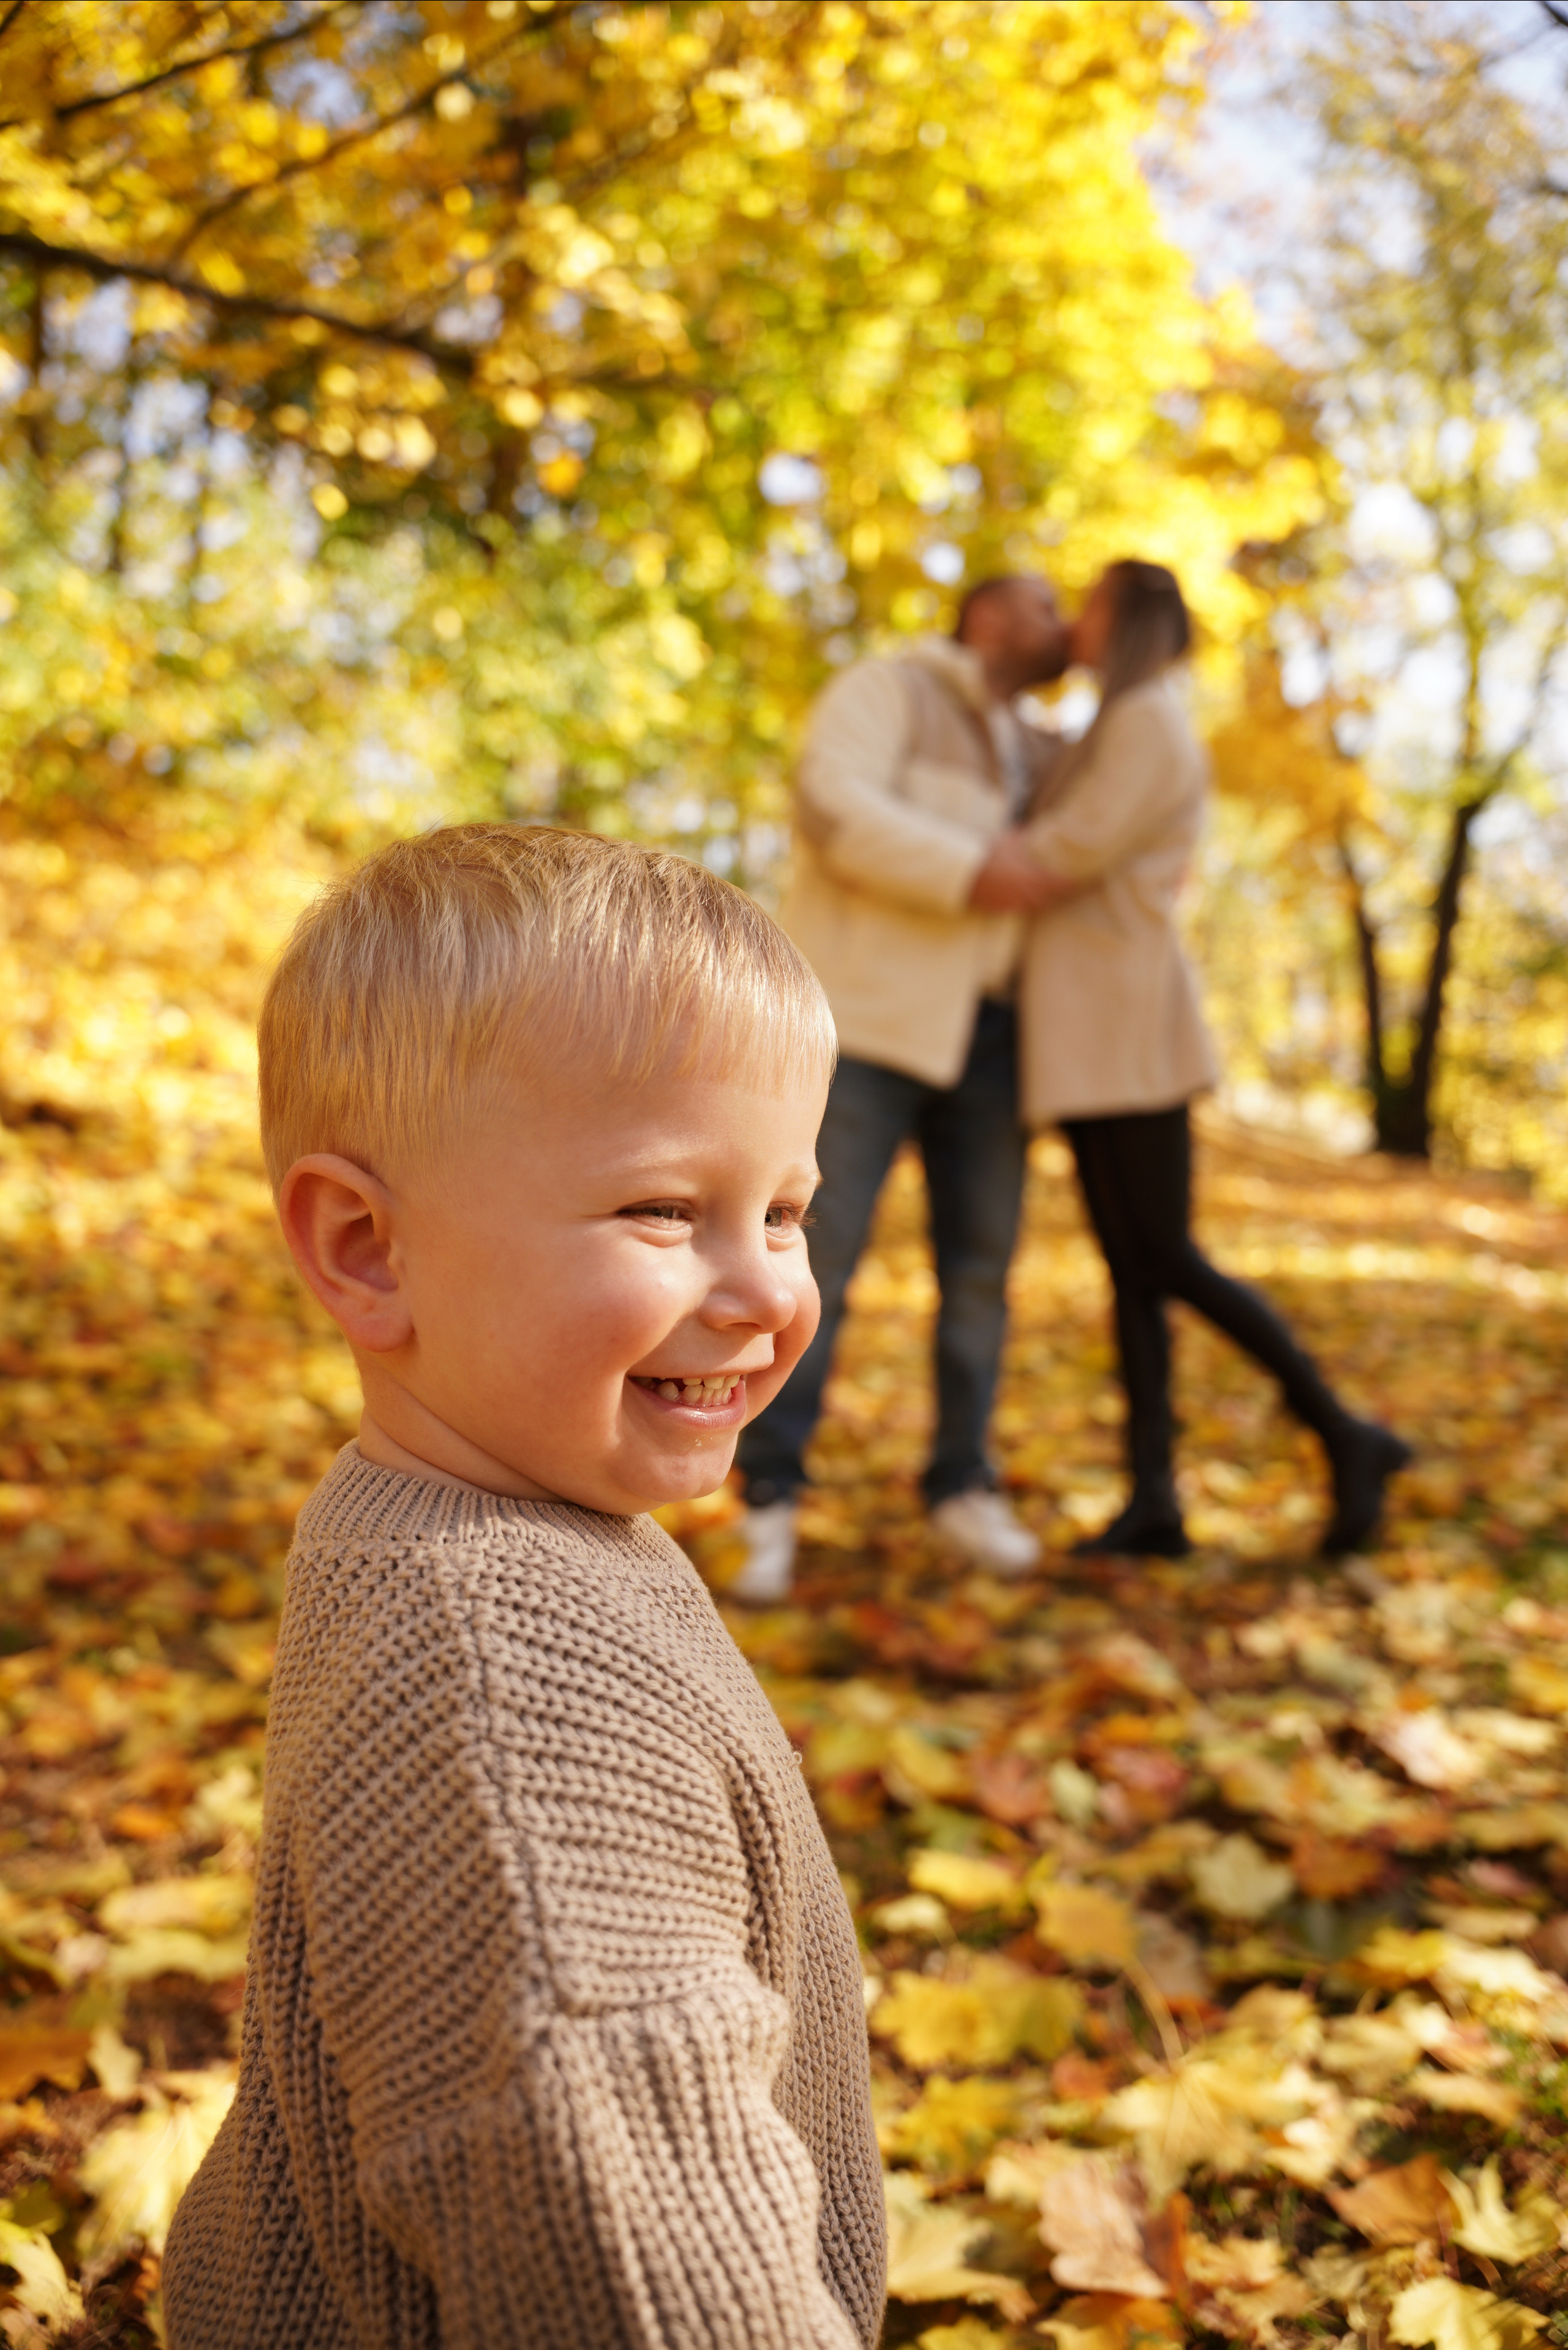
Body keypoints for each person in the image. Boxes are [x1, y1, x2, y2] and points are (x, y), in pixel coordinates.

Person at [164, 827, 886, 2350]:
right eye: (663, 1210)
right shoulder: (510, 1705)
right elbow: (646, 2286)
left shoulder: (480, 1516)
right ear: (367, 1249)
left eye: (783, 1210)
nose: (766, 1288)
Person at [1017, 560, 1411, 1559]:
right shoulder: (1118, 721)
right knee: (1132, 1270)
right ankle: (1154, 1498)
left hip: (1130, 1021)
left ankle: (1342, 1431)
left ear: (1130, 620)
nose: (1076, 622)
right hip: (1092, 1024)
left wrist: (969, 855)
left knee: (1167, 1255)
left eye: (1092, 606)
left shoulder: (1146, 720)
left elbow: (1072, 847)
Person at [732, 578, 1073, 1602]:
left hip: (997, 1036)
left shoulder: (1045, 747)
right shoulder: (890, 689)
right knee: (813, 1260)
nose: (1061, 623)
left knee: (980, 1274)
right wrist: (971, 869)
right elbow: (833, 806)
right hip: (868, 1026)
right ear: (987, 616)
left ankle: (962, 1484)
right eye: (1043, 604)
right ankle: (766, 1495)